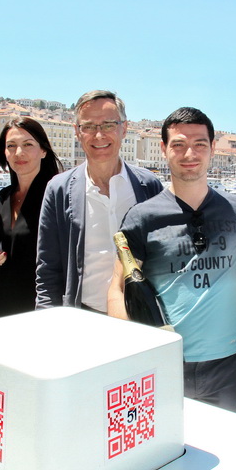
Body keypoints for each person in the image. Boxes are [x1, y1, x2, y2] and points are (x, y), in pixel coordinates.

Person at [108, 107, 236, 411]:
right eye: (178, 144)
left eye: (200, 144)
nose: (190, 153)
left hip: (226, 366)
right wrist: (135, 351)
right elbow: (118, 289)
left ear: (213, 148)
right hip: (163, 364)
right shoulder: (142, 218)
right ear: (164, 149)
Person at [36, 90, 163, 312]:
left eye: (108, 125)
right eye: (88, 126)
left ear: (124, 128)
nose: (99, 135)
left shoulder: (148, 186)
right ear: (77, 132)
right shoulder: (59, 189)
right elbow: (47, 269)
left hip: (141, 318)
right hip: (84, 317)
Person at [0, 116, 61, 317]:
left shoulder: (57, 196)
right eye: (11, 146)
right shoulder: (3, 198)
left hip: (43, 304)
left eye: (27, 144)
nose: (18, 153)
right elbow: (3, 245)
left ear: (43, 150)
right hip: (7, 301)